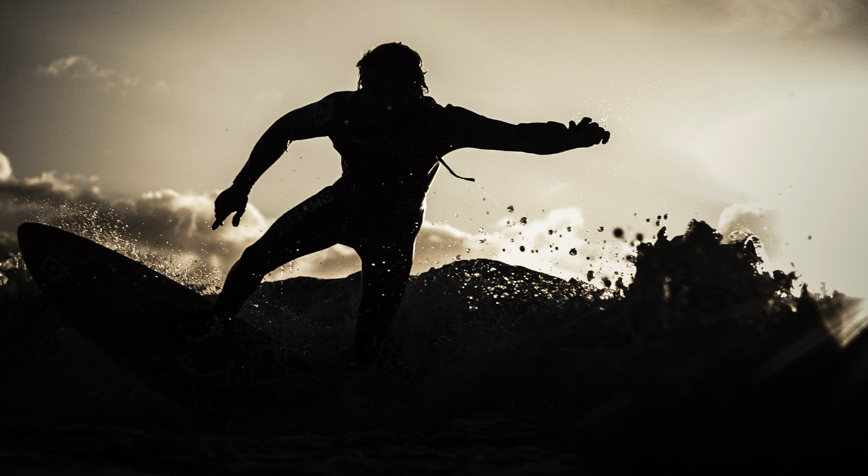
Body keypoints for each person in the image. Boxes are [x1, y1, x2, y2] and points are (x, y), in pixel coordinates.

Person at [206, 42, 609, 362]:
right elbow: (282, 129)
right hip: (342, 205)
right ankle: (212, 327)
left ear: (410, 91)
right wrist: (241, 186)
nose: (369, 101)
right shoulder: (343, 109)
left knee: (371, 334)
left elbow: (517, 137)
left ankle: (357, 398)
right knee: (255, 260)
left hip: (394, 233)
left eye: (380, 93)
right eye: (366, 89)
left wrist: (569, 139)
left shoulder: (439, 123)